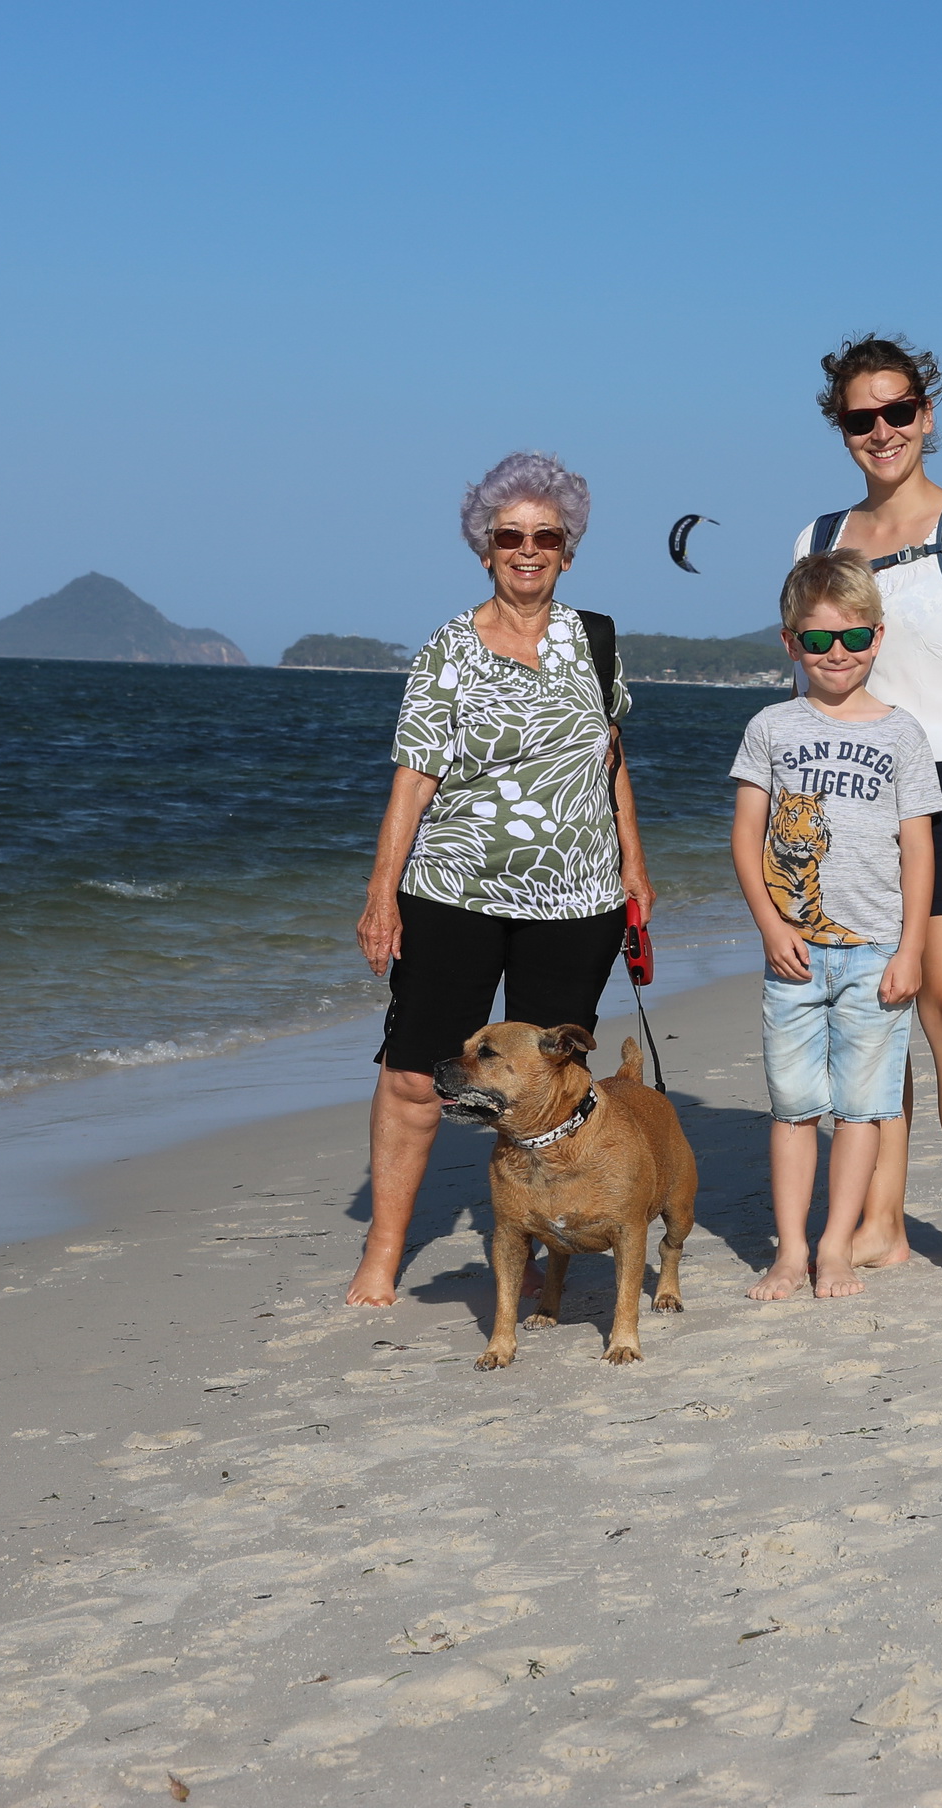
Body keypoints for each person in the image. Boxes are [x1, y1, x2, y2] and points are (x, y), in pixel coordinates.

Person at [345, 452, 652, 1308]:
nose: (527, 550)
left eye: (544, 537)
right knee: (415, 1075)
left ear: (568, 549)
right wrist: (381, 894)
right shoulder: (449, 648)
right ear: (485, 547)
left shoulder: (595, 639)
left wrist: (633, 860)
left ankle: (553, 1238)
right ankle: (384, 1251)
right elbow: (413, 777)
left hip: (578, 898)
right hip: (453, 894)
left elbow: (610, 754)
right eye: (509, 536)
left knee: (548, 1086)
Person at [790, 335, 942, 1291]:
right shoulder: (816, 542)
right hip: (851, 797)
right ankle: (882, 1222)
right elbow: (812, 686)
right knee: (872, 1008)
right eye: (862, 418)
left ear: (927, 416)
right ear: (842, 429)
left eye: (899, 412)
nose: (882, 431)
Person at [731, 552, 942, 1302]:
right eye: (818, 642)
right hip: (793, 954)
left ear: (878, 637)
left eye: (852, 638)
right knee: (794, 1108)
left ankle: (835, 1249)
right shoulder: (771, 727)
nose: (837, 655)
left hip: (876, 951)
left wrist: (912, 947)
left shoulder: (902, 735)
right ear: (792, 644)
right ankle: (788, 1252)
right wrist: (768, 925)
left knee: (862, 1109)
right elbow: (746, 836)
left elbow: (918, 846)